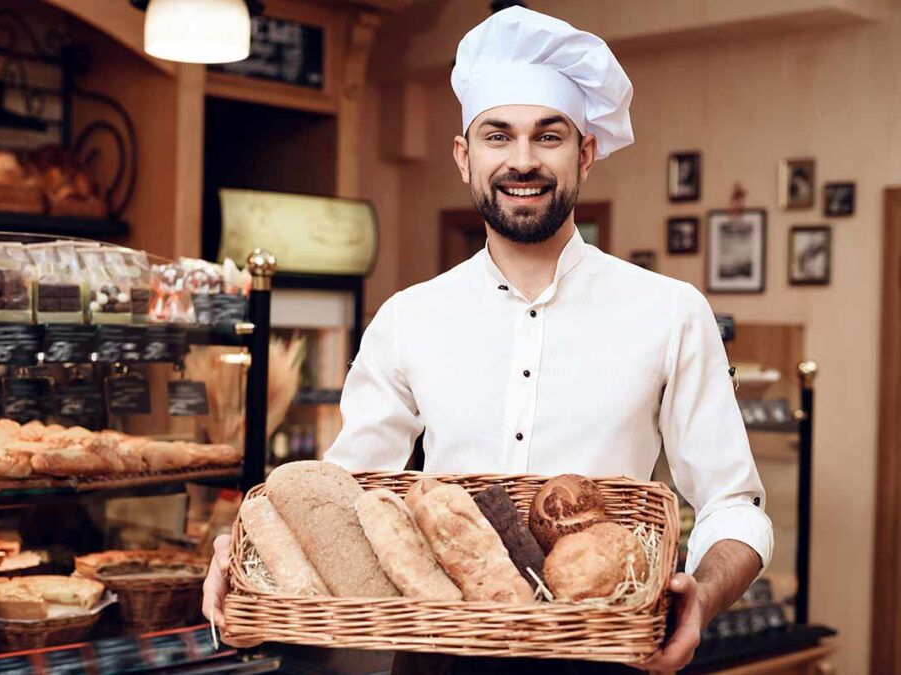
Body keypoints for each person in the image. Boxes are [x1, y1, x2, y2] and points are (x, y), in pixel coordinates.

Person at [204, 7, 773, 674]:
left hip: (605, 654)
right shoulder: (408, 318)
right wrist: (245, 558)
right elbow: (344, 492)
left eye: (549, 136)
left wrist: (701, 598)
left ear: (585, 153)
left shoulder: (670, 312)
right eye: (498, 135)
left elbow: (735, 504)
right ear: (464, 155)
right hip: (440, 658)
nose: (522, 160)